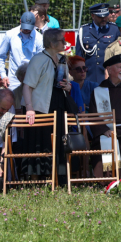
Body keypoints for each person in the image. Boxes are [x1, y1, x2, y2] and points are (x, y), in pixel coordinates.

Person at [21, 28, 78, 179]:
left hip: (58, 106)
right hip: (40, 109)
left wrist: (68, 86)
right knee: (40, 143)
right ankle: (37, 178)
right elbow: (27, 85)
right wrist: (29, 108)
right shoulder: (38, 59)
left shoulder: (61, 59)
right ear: (52, 43)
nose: (65, 43)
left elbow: (65, 83)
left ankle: (57, 178)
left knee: (59, 141)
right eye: (62, 40)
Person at [0, 11, 43, 91]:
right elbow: (0, 57)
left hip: (32, 79)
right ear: (20, 21)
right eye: (25, 27)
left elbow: (41, 61)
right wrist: (3, 75)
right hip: (13, 81)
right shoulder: (10, 34)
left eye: (29, 28)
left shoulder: (39, 38)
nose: (27, 30)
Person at [76, 2, 118, 86]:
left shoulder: (114, 29)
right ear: (93, 16)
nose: (104, 19)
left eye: (105, 16)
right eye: (100, 17)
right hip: (89, 76)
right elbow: (79, 56)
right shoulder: (84, 31)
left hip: (109, 76)